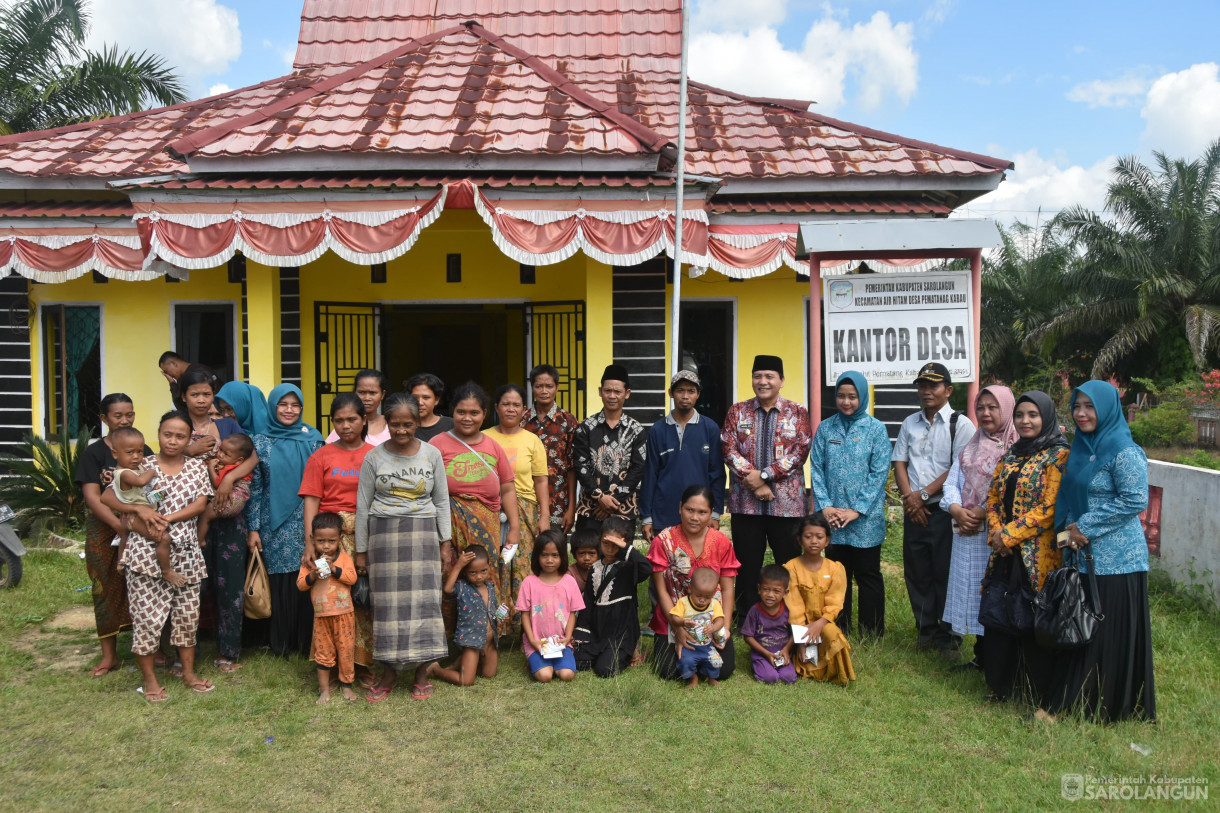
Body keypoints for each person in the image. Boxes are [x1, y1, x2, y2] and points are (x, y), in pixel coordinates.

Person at [1041, 381, 1154, 724]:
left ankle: (1096, 706)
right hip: (1082, 555)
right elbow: (1070, 498)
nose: (1081, 413)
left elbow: (1135, 498)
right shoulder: (1080, 447)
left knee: (1102, 631)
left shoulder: (1123, 449)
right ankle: (1074, 703)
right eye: (1077, 406)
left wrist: (1085, 527)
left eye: (1090, 406)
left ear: (1106, 409)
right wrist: (1066, 538)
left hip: (1118, 560)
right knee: (1080, 625)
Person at [104, 411, 214, 701]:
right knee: (147, 620)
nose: (173, 441)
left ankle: (189, 674)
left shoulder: (196, 468)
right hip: (144, 555)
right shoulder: (142, 464)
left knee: (188, 616)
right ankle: (150, 680)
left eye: (180, 436)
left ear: (189, 438)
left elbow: (202, 503)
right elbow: (108, 496)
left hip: (187, 552)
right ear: (159, 433)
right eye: (167, 434)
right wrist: (139, 510)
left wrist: (169, 518)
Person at [355, 392, 451, 702]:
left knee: (425, 602)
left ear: (418, 422)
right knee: (387, 607)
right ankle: (390, 672)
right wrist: (361, 550)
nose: (400, 431)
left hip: (423, 534)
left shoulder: (431, 454)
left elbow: (441, 500)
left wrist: (444, 542)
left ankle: (422, 670)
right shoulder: (374, 457)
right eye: (394, 425)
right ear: (386, 423)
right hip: (383, 536)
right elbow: (362, 506)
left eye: (407, 425)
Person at [980, 390, 1068, 704]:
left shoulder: (1058, 455)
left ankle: (1037, 690)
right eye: (1020, 415)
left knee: (1033, 616)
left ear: (1046, 417)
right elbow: (991, 499)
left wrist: (1010, 535)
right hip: (1003, 550)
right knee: (999, 614)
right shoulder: (1012, 453)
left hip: (1038, 554)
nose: (1025, 421)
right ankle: (1000, 686)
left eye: (1033, 415)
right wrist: (996, 532)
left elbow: (1050, 508)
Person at [892, 362, 976, 659]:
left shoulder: (961, 424)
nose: (926, 391)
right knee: (917, 572)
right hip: (914, 509)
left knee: (945, 573)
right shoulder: (909, 423)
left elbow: (959, 468)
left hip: (943, 511)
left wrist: (924, 495)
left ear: (948, 390)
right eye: (922, 385)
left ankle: (948, 636)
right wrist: (909, 498)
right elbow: (899, 461)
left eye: (934, 385)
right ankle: (925, 631)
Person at [721, 354, 812, 620]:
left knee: (789, 564)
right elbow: (727, 447)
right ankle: (746, 617)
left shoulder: (797, 412)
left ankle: (790, 616)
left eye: (770, 376)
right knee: (747, 565)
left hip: (787, 506)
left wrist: (764, 475)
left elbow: (800, 450)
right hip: (746, 505)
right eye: (758, 376)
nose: (763, 381)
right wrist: (754, 481)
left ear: (781, 381)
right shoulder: (738, 411)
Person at [74, 393, 156, 677]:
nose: (124, 420)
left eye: (129, 414)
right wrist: (120, 526)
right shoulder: (94, 453)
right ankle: (109, 655)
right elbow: (93, 498)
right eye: (118, 416)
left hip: (139, 527)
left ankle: (149, 649)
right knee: (104, 586)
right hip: (103, 528)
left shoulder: (141, 448)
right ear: (104, 419)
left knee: (144, 585)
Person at [429, 382, 519, 636]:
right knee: (451, 576)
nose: (467, 418)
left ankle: (492, 631)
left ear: (485, 413)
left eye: (474, 413)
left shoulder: (492, 446)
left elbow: (508, 488)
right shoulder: (437, 444)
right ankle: (449, 635)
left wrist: (514, 527)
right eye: (460, 412)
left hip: (487, 525)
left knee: (487, 577)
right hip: (449, 525)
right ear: (452, 412)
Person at [941, 385, 1019, 670]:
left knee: (996, 593)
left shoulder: (1016, 447)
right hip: (966, 532)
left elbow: (1012, 490)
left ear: (1007, 409)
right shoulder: (971, 445)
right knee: (974, 594)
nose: (985, 413)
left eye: (993, 407)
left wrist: (983, 512)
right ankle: (981, 656)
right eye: (981, 407)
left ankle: (998, 659)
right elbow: (951, 483)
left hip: (996, 535)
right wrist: (956, 509)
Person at [299, 393, 376, 679]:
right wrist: (310, 543)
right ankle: (329, 664)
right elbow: (311, 500)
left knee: (364, 599)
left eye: (352, 419)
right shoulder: (321, 456)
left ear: (364, 419)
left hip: (366, 535)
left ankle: (362, 664)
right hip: (330, 538)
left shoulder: (375, 454)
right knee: (332, 600)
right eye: (339, 420)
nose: (345, 426)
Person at [811, 371, 892, 638]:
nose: (846, 402)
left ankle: (871, 633)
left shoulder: (876, 429)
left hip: (864, 520)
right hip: (833, 518)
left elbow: (879, 473)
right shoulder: (826, 427)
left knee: (868, 575)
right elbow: (817, 470)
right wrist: (825, 507)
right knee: (837, 576)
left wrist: (857, 510)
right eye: (842, 396)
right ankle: (839, 629)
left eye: (852, 396)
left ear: (862, 397)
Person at [247, 384, 324, 656]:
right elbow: (255, 487)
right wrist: (253, 527)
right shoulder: (261, 441)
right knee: (279, 580)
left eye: (295, 405)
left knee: (310, 573)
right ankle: (281, 643)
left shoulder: (314, 439)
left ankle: (307, 642)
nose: (289, 410)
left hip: (308, 515)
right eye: (283, 404)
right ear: (273, 407)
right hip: (273, 521)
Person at [647, 485, 739, 681]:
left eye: (702, 512)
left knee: (723, 670)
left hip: (711, 620)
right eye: (690, 510)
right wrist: (678, 628)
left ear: (712, 513)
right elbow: (661, 590)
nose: (695, 517)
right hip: (674, 618)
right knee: (668, 671)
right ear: (680, 507)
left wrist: (724, 628)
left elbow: (728, 589)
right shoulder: (663, 541)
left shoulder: (722, 543)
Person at [485, 383, 550, 636]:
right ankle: (499, 624)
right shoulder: (484, 437)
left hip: (524, 511)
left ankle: (522, 626)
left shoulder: (532, 440)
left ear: (525, 409)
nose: (511, 409)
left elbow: (541, 480)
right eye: (505, 404)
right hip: (491, 509)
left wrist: (543, 517)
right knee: (498, 566)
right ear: (496, 408)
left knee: (521, 568)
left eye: (516, 405)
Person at [640, 370, 725, 542]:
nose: (685, 396)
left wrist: (715, 513)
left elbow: (717, 473)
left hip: (699, 514)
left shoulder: (710, 428)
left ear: (698, 395)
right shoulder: (658, 430)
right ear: (671, 393)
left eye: (691, 391)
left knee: (699, 565)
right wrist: (647, 516)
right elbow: (650, 474)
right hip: (664, 512)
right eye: (680, 390)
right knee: (666, 565)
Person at [572, 364, 647, 532]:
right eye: (607, 391)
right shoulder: (585, 428)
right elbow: (580, 466)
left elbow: (638, 468)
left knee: (620, 557)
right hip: (590, 509)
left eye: (617, 392)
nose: (612, 396)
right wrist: (599, 498)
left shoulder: (636, 430)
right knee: (587, 557)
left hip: (623, 510)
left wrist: (612, 500)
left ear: (627, 394)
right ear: (600, 391)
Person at [784, 513, 855, 685]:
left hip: (823, 623)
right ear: (800, 540)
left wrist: (819, 624)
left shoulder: (836, 568)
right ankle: (801, 657)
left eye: (819, 537)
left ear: (827, 541)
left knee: (834, 636)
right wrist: (801, 639)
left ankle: (837, 676)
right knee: (804, 658)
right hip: (797, 628)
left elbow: (835, 602)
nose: (814, 541)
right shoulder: (791, 568)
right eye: (808, 537)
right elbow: (794, 606)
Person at [297, 512, 358, 704]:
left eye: (331, 541)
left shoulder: (345, 559)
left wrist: (334, 569)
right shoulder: (311, 561)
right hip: (322, 616)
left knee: (346, 651)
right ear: (312, 539)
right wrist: (313, 576)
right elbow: (300, 584)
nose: (326, 546)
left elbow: (352, 578)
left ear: (340, 539)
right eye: (321, 540)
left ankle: (347, 685)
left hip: (344, 614)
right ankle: (324, 690)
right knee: (323, 653)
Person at [581, 516, 651, 678]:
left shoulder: (629, 566)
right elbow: (589, 602)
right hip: (599, 628)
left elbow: (647, 569)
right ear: (600, 541)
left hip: (621, 629)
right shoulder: (595, 568)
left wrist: (626, 549)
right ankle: (605, 653)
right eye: (606, 544)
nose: (610, 549)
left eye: (616, 545)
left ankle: (630, 652)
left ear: (624, 543)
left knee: (605, 670)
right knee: (579, 662)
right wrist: (582, 632)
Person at [516, 529, 584, 683]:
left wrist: (567, 638)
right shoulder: (529, 582)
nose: (549, 560)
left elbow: (573, 613)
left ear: (562, 556)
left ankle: (555, 663)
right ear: (537, 556)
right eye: (544, 555)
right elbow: (525, 614)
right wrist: (533, 641)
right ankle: (534, 661)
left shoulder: (569, 582)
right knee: (545, 676)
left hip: (560, 643)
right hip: (537, 643)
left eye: (555, 555)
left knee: (567, 675)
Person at [427, 546, 500, 688]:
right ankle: (436, 670)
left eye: (483, 571)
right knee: (466, 681)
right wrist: (458, 566)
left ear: (489, 567)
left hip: (489, 643)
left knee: (489, 674)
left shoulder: (490, 587)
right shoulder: (463, 587)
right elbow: (447, 590)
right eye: (473, 572)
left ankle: (461, 663)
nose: (479, 576)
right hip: (472, 642)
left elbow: (492, 611)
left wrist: (500, 616)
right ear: (465, 572)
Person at [522, 364, 579, 532]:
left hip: (558, 502)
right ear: (532, 387)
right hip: (527, 499)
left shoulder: (568, 421)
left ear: (557, 388)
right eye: (539, 386)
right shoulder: (522, 421)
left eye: (549, 386)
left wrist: (571, 508)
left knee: (552, 554)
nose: (544, 391)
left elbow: (572, 468)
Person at [105, 427, 160, 566]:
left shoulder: (137, 469)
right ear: (115, 454)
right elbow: (141, 482)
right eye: (130, 452)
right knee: (162, 538)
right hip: (133, 516)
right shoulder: (124, 473)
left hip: (145, 509)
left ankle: (121, 561)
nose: (136, 456)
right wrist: (152, 472)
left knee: (125, 536)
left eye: (140, 451)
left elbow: (146, 491)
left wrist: (157, 491)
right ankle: (166, 570)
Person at [669, 566, 727, 687]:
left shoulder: (714, 604)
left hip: (707, 645)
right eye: (699, 595)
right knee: (685, 661)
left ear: (714, 593)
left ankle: (711, 678)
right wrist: (683, 622)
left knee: (716, 661)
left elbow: (720, 620)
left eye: (707, 597)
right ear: (690, 588)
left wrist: (714, 627)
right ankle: (693, 679)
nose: (702, 600)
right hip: (689, 645)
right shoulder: (683, 602)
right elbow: (674, 618)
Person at [741, 564, 797, 684]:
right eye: (766, 589)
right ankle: (759, 664)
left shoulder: (788, 610)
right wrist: (766, 654)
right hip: (762, 653)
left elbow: (795, 632)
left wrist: (786, 650)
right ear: (759, 588)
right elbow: (748, 637)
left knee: (789, 678)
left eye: (776, 591)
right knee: (770, 678)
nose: (770, 595)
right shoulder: (755, 611)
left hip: (782, 653)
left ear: (785, 593)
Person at [197, 433, 253, 542]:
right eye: (221, 449)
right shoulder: (236, 465)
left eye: (226, 454)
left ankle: (199, 541)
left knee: (206, 515)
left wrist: (210, 469)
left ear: (239, 460)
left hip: (232, 500)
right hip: (236, 500)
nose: (220, 455)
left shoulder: (230, 468)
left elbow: (218, 484)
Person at [326, 369, 390, 445]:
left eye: (372, 393)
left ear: (382, 394)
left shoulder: (391, 424)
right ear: (355, 393)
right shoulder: (344, 427)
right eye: (362, 392)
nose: (367, 398)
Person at [568, 528, 600, 671]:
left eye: (592, 553)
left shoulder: (602, 570)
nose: (587, 558)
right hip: (576, 615)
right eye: (582, 553)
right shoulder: (570, 574)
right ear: (574, 554)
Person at [407, 373, 454, 443]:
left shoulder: (452, 425)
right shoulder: (402, 426)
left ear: (436, 400)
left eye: (426, 398)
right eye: (415, 397)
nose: (420, 402)